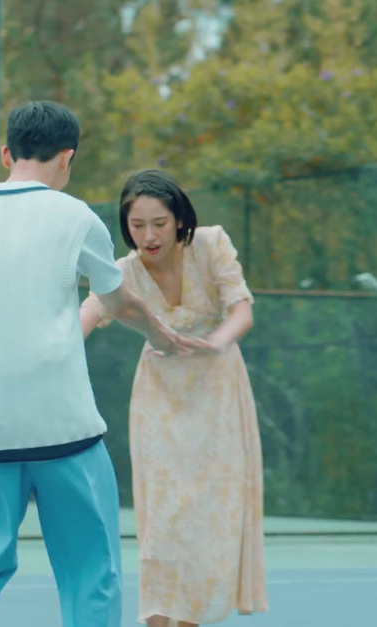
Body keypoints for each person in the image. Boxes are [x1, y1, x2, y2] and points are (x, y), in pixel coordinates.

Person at [0, 101, 190, 627]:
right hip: (63, 432)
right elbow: (118, 304)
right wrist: (160, 334)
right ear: (67, 158)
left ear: (6, 153)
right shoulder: (74, 216)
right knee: (90, 573)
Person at [80, 169, 268, 627]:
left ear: (180, 219)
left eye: (159, 223)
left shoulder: (210, 244)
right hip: (159, 398)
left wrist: (218, 342)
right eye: (137, 224)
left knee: (210, 516)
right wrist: (54, 349)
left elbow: (240, 308)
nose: (148, 235)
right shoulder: (121, 272)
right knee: (163, 522)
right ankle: (159, 620)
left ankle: (192, 620)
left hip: (219, 392)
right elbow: (91, 312)